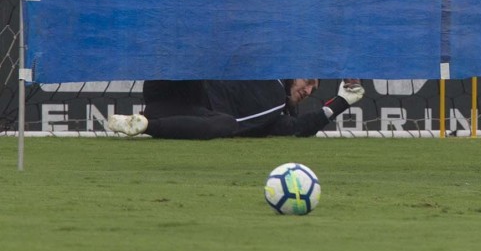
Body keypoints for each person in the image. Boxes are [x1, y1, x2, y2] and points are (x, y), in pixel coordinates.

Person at [106, 78, 365, 139]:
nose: (308, 91)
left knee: (227, 124)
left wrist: (342, 101)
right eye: (308, 82)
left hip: (174, 113)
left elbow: (296, 128)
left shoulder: (274, 112)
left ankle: (139, 124)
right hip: (181, 85)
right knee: (228, 123)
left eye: (314, 91)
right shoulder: (271, 82)